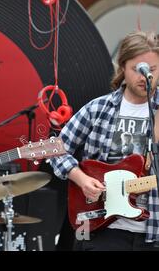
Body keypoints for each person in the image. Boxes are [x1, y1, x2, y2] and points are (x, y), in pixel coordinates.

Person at [50, 31, 159, 251]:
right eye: (137, 69)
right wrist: (81, 179)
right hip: (103, 226)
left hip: (152, 230)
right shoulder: (98, 108)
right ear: (122, 67)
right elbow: (56, 149)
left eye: (152, 70)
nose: (144, 77)